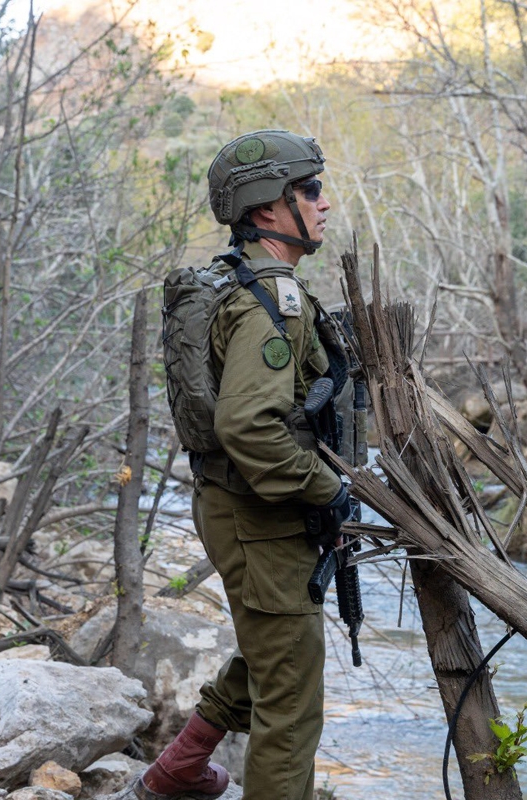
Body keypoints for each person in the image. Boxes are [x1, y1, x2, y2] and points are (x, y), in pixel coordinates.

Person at [137, 130, 353, 800]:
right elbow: (249, 426)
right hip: (262, 516)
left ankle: (178, 769)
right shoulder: (270, 303)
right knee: (290, 710)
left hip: (241, 508)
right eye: (309, 189)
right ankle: (177, 772)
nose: (323, 202)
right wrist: (329, 490)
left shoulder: (252, 285)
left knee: (276, 652)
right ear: (266, 209)